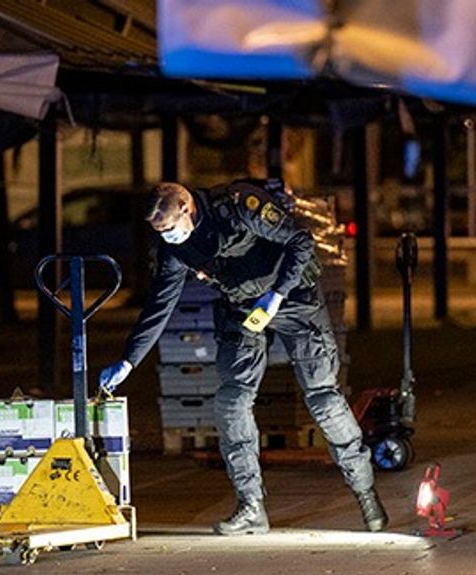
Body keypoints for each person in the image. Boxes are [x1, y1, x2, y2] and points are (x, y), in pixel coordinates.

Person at [98, 180, 388, 536]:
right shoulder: (175, 250)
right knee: (231, 402)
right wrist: (128, 361)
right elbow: (159, 306)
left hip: (293, 297)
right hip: (241, 308)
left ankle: (365, 493)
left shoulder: (238, 206)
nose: (171, 239)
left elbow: (300, 241)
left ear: (188, 209)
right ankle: (251, 506)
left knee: (324, 398)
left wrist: (277, 295)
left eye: (172, 230)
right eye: (162, 233)